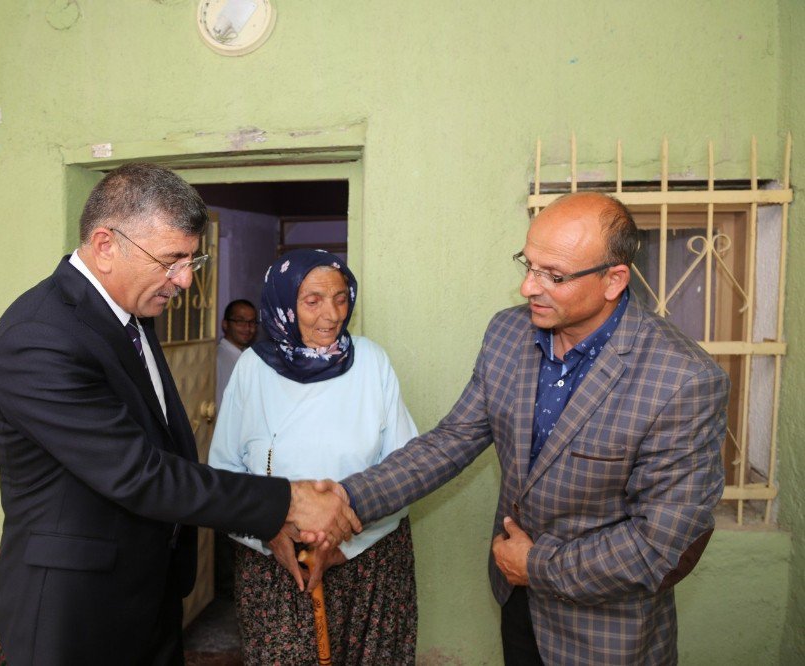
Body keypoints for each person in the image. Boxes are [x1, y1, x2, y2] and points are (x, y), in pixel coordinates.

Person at [0, 163, 359, 666]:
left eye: (191, 259)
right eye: (170, 260)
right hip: (75, 609)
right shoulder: (39, 338)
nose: (183, 279)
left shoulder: (128, 315)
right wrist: (286, 502)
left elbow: (165, 444)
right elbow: (140, 473)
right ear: (106, 244)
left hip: (146, 589)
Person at [332, 192, 729, 665]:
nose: (527, 288)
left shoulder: (683, 379)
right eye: (528, 264)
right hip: (516, 602)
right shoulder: (508, 333)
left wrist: (536, 565)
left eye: (553, 276)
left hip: (606, 635)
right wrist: (345, 500)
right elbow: (452, 441)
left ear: (613, 280)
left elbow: (661, 547)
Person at [209, 249, 420, 665]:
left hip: (367, 560)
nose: (332, 314)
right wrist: (268, 530)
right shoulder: (252, 368)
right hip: (276, 563)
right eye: (313, 300)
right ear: (284, 303)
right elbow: (224, 473)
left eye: (341, 298)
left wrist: (341, 542)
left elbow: (404, 467)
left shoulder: (371, 362)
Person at [216, 298, 257, 408]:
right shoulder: (218, 358)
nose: (247, 328)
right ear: (225, 324)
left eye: (252, 322)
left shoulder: (251, 357)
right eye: (240, 321)